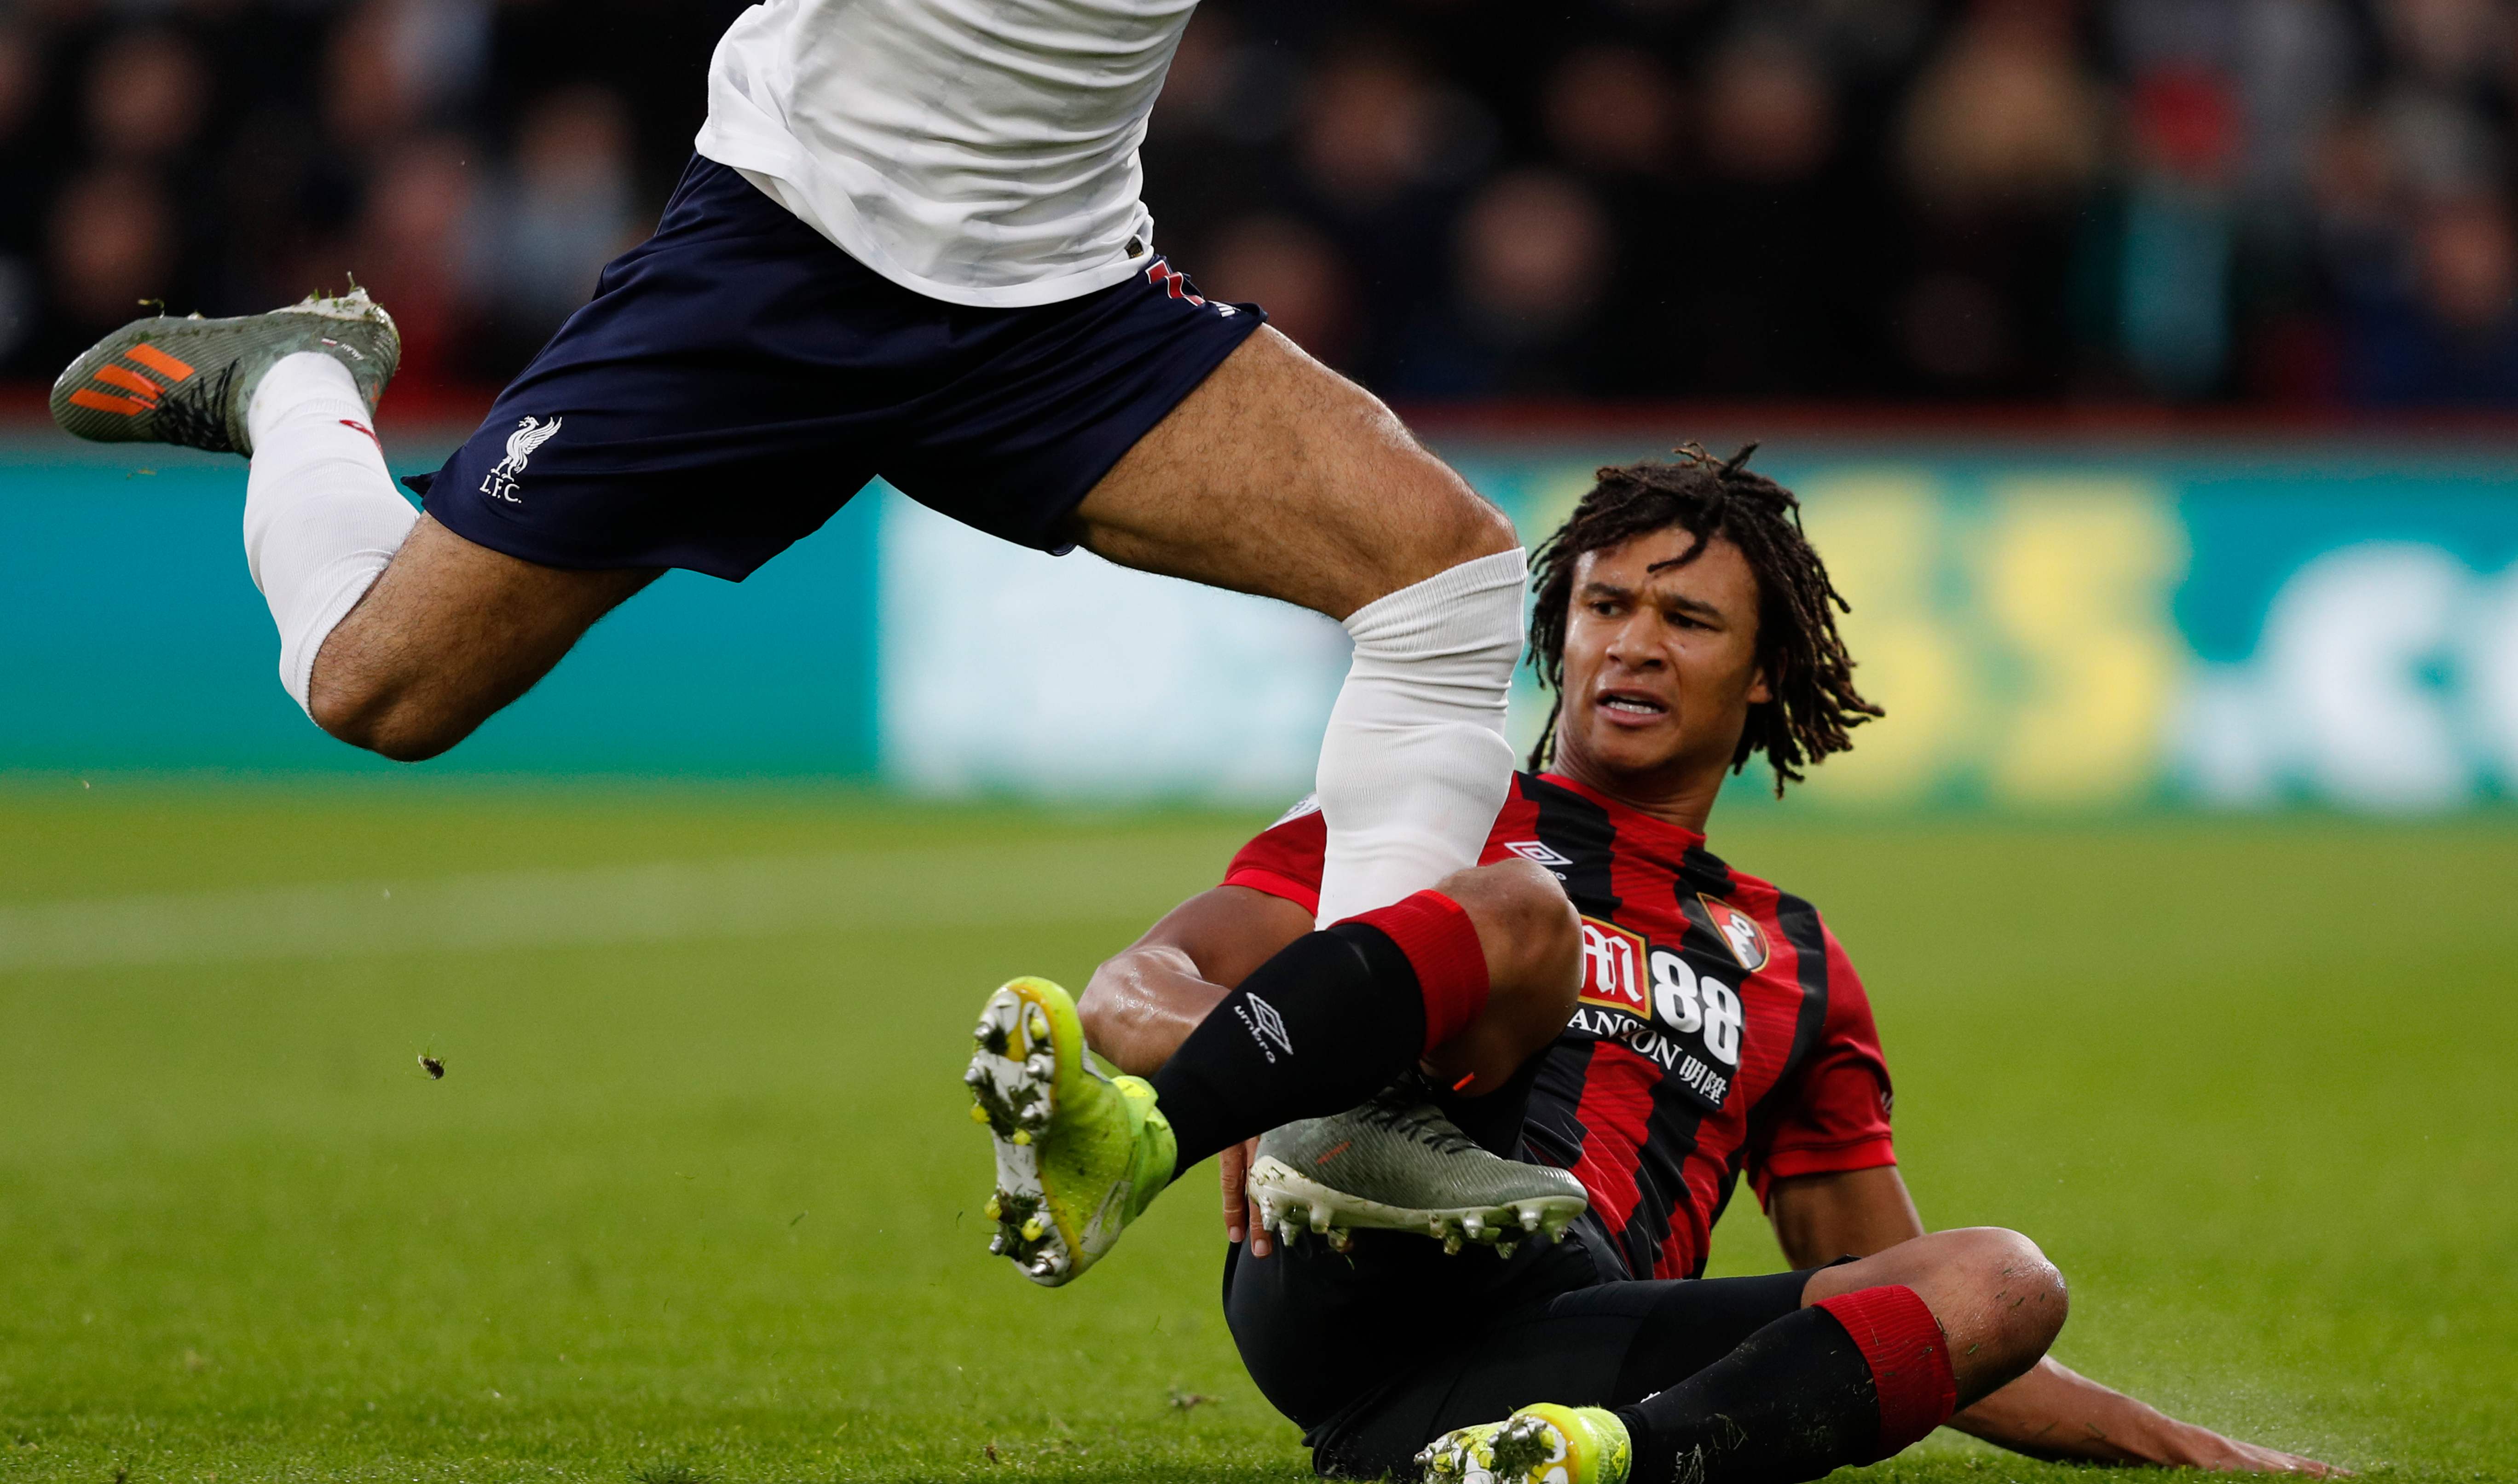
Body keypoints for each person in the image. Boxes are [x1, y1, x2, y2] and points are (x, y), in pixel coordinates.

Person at [968, 445, 2335, 1484]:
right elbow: (1133, 989)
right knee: (1523, 913)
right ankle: (1135, 1151)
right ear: (1555, 634)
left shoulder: (1796, 959)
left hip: (1574, 1336)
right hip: (1348, 1254)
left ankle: (1595, 1462)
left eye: (1687, 619)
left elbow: (1887, 1289)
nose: (1633, 643)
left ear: (1764, 676)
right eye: (1605, 606)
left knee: (2009, 1281)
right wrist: (1257, 1080)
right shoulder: (1433, 817)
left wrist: (2190, 1449)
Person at [48, 0, 1525, 941]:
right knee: (378, 689)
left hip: (1058, 307)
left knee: (1446, 574)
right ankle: (296, 379)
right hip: (782, 257)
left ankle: (1351, 1110)